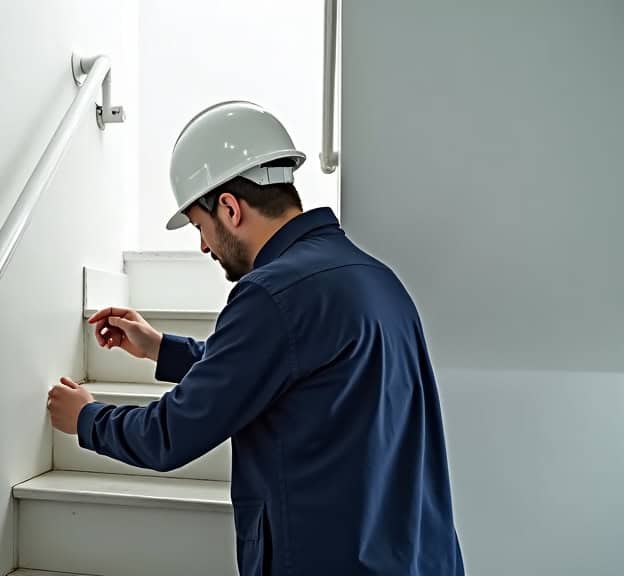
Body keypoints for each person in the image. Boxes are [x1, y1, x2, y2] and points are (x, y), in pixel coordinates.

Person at [47, 101, 464, 575]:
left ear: (229, 207)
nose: (204, 245)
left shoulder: (272, 294)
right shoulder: (370, 276)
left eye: (201, 227)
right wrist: (161, 348)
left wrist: (86, 418)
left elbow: (171, 434)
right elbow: (282, 369)